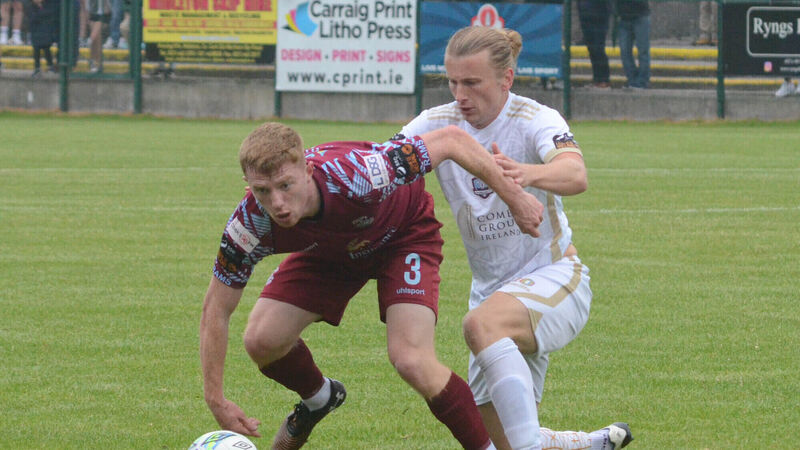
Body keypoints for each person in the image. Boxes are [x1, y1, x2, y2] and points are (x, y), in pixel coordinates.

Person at [200, 122, 544, 449]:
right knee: (262, 341)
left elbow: (451, 140)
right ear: (248, 185)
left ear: (307, 171)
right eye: (262, 191)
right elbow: (216, 307)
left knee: (411, 359)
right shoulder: (248, 226)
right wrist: (215, 398)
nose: (276, 202)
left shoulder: (358, 174)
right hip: (331, 253)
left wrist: (515, 198)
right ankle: (319, 398)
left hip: (403, 237)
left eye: (285, 185)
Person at [399, 26, 634, 450]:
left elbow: (575, 173)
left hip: (557, 277)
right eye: (452, 82)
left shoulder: (534, 119)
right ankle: (579, 443)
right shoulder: (438, 124)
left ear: (506, 79)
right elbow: (383, 163)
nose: (460, 95)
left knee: (480, 325)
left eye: (472, 83)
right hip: (491, 291)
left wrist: (527, 174)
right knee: (493, 441)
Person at [616, 0, 650, 90]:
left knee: (643, 51)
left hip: (640, 15)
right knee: (624, 51)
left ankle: (641, 82)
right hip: (623, 17)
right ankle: (632, 80)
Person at [577, 0, 611, 89]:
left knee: (598, 49)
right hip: (586, 16)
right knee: (592, 50)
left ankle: (604, 80)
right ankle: (597, 79)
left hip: (599, 17)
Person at [29, 0, 59, 77]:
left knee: (46, 49)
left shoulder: (49, 5)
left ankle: (50, 65)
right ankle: (37, 68)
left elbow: (50, 14)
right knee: (36, 50)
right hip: (36, 32)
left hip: (46, 32)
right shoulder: (32, 7)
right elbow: (32, 18)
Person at [86, 0, 110, 72]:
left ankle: (96, 62)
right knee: (97, 39)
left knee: (94, 37)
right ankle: (96, 62)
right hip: (93, 11)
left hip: (104, 12)